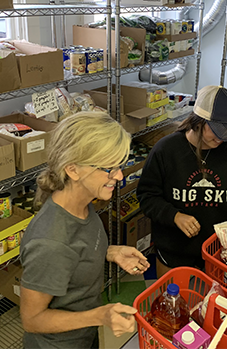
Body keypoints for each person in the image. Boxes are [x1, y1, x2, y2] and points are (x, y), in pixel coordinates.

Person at [20, 111, 150, 349]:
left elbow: (74, 253)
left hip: (83, 335)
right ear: (73, 170)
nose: (119, 176)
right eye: (109, 168)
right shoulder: (50, 242)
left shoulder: (83, 204)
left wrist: (109, 252)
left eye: (119, 165)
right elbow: (32, 319)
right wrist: (100, 316)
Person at [137, 85, 227, 277]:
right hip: (174, 248)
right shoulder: (167, 150)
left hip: (218, 249)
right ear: (198, 122)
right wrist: (174, 216)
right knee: (172, 301)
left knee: (211, 302)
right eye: (216, 131)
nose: (221, 140)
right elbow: (147, 196)